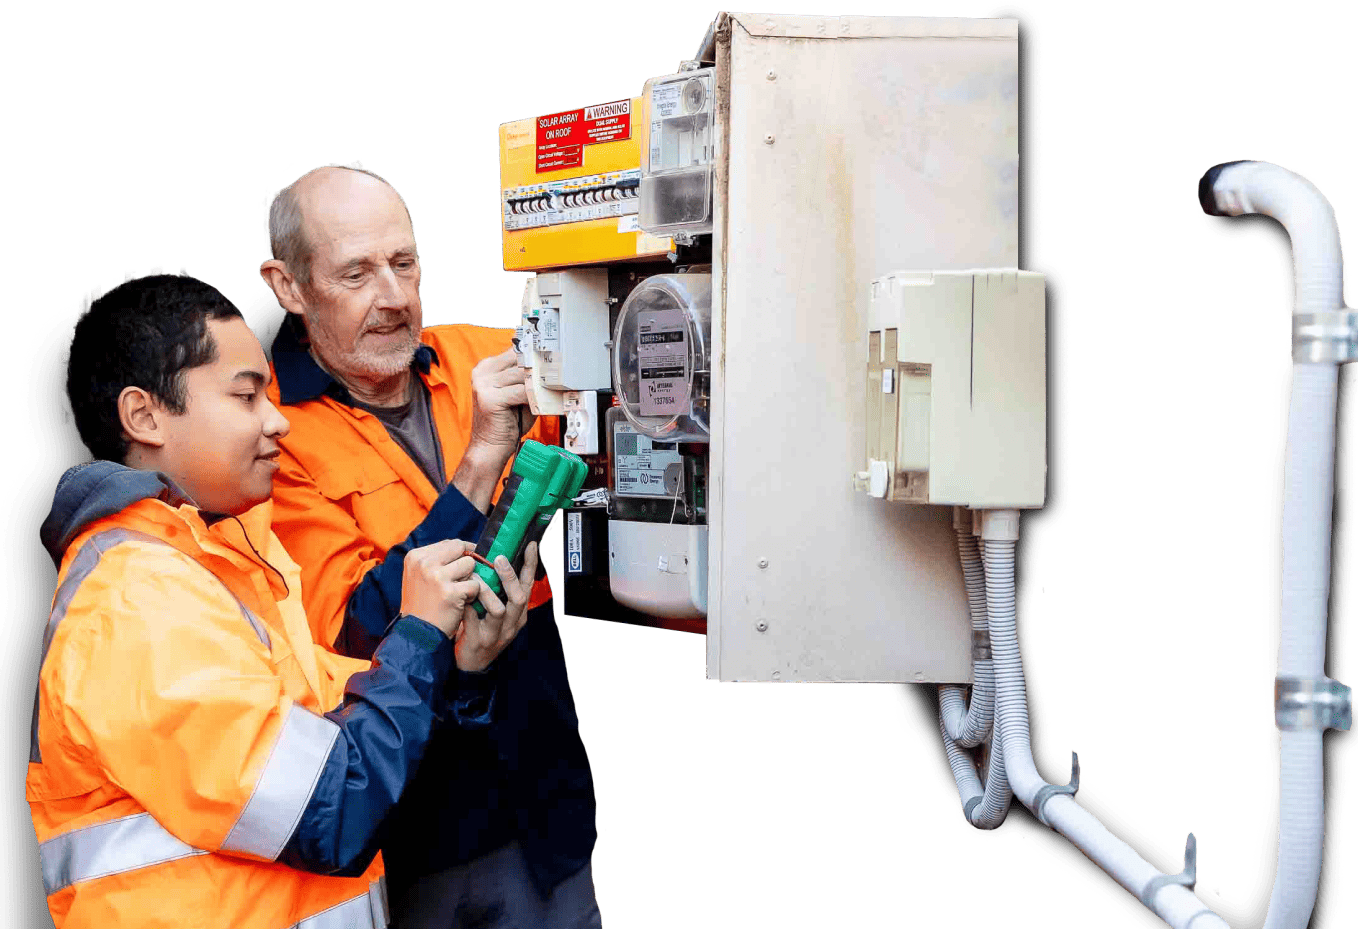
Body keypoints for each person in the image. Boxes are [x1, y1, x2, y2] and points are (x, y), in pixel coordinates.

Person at [28, 271, 539, 928]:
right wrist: (415, 633)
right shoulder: (135, 605)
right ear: (143, 414)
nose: (278, 422)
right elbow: (333, 811)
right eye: (246, 397)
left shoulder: (219, 569)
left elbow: (366, 746)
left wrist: (458, 665)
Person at [257, 163, 600, 928]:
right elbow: (352, 630)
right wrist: (480, 464)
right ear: (287, 285)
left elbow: (619, 422)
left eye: (403, 263)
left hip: (548, 818)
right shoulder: (271, 436)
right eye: (356, 272)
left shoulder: (483, 361)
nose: (394, 296)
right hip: (410, 840)